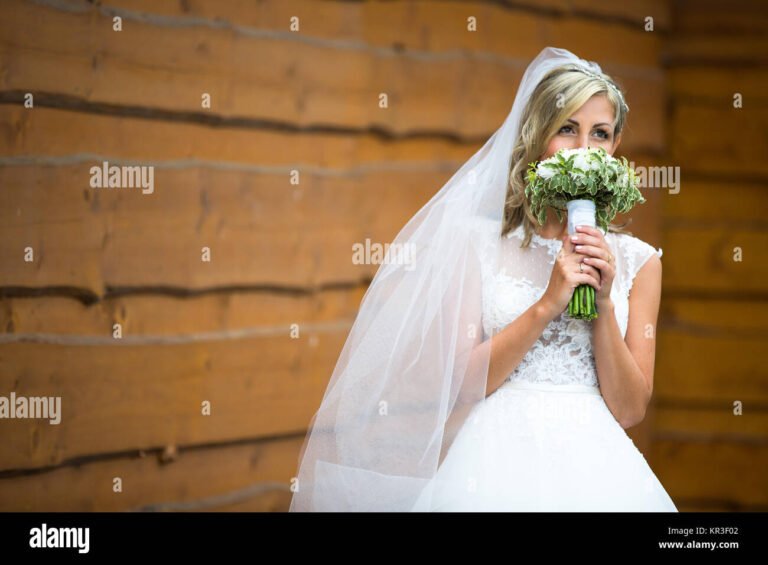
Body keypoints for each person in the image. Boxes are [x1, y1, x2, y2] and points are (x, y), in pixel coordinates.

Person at [289, 47, 678, 512]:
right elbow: (462, 384)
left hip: (597, 471)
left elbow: (631, 410)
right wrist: (547, 304)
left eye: (601, 134)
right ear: (538, 138)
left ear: (614, 150)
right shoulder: (479, 246)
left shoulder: (638, 262)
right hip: (494, 461)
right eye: (567, 129)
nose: (583, 150)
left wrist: (603, 304)